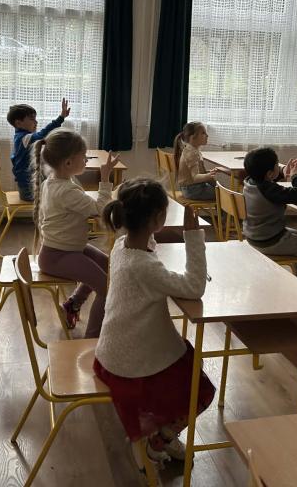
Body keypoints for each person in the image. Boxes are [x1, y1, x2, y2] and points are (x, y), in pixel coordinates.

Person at [93, 178, 215, 473]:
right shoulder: (143, 265)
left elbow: (151, 255)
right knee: (200, 389)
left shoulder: (122, 246)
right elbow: (194, 287)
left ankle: (159, 434)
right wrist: (192, 236)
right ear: (158, 218)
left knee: (187, 359)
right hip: (130, 366)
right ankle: (159, 440)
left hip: (110, 354)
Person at [31, 129, 119, 337]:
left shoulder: (56, 181)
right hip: (58, 256)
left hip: (67, 249)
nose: (86, 160)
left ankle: (72, 305)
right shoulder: (66, 190)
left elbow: (87, 205)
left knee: (109, 268)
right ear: (68, 162)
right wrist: (105, 179)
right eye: (84, 156)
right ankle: (91, 339)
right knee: (106, 288)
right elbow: (100, 210)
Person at [242, 148, 297, 292]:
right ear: (269, 173)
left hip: (254, 237)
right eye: (277, 165)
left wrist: (282, 172)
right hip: (271, 241)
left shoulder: (250, 182)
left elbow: (267, 183)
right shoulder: (270, 190)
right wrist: (295, 175)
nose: (279, 166)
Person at [8, 98, 70, 201]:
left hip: (27, 186)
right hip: (28, 191)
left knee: (56, 180)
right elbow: (43, 134)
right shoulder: (24, 138)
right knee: (61, 193)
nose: (36, 122)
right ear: (18, 123)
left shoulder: (21, 137)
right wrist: (61, 118)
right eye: (32, 119)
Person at [173, 122, 220, 201]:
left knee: (220, 190)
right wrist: (208, 176)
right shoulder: (192, 153)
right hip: (193, 190)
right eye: (203, 133)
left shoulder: (192, 150)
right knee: (223, 195)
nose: (207, 135)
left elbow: (197, 172)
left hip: (191, 188)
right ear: (192, 137)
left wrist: (208, 173)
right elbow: (195, 178)